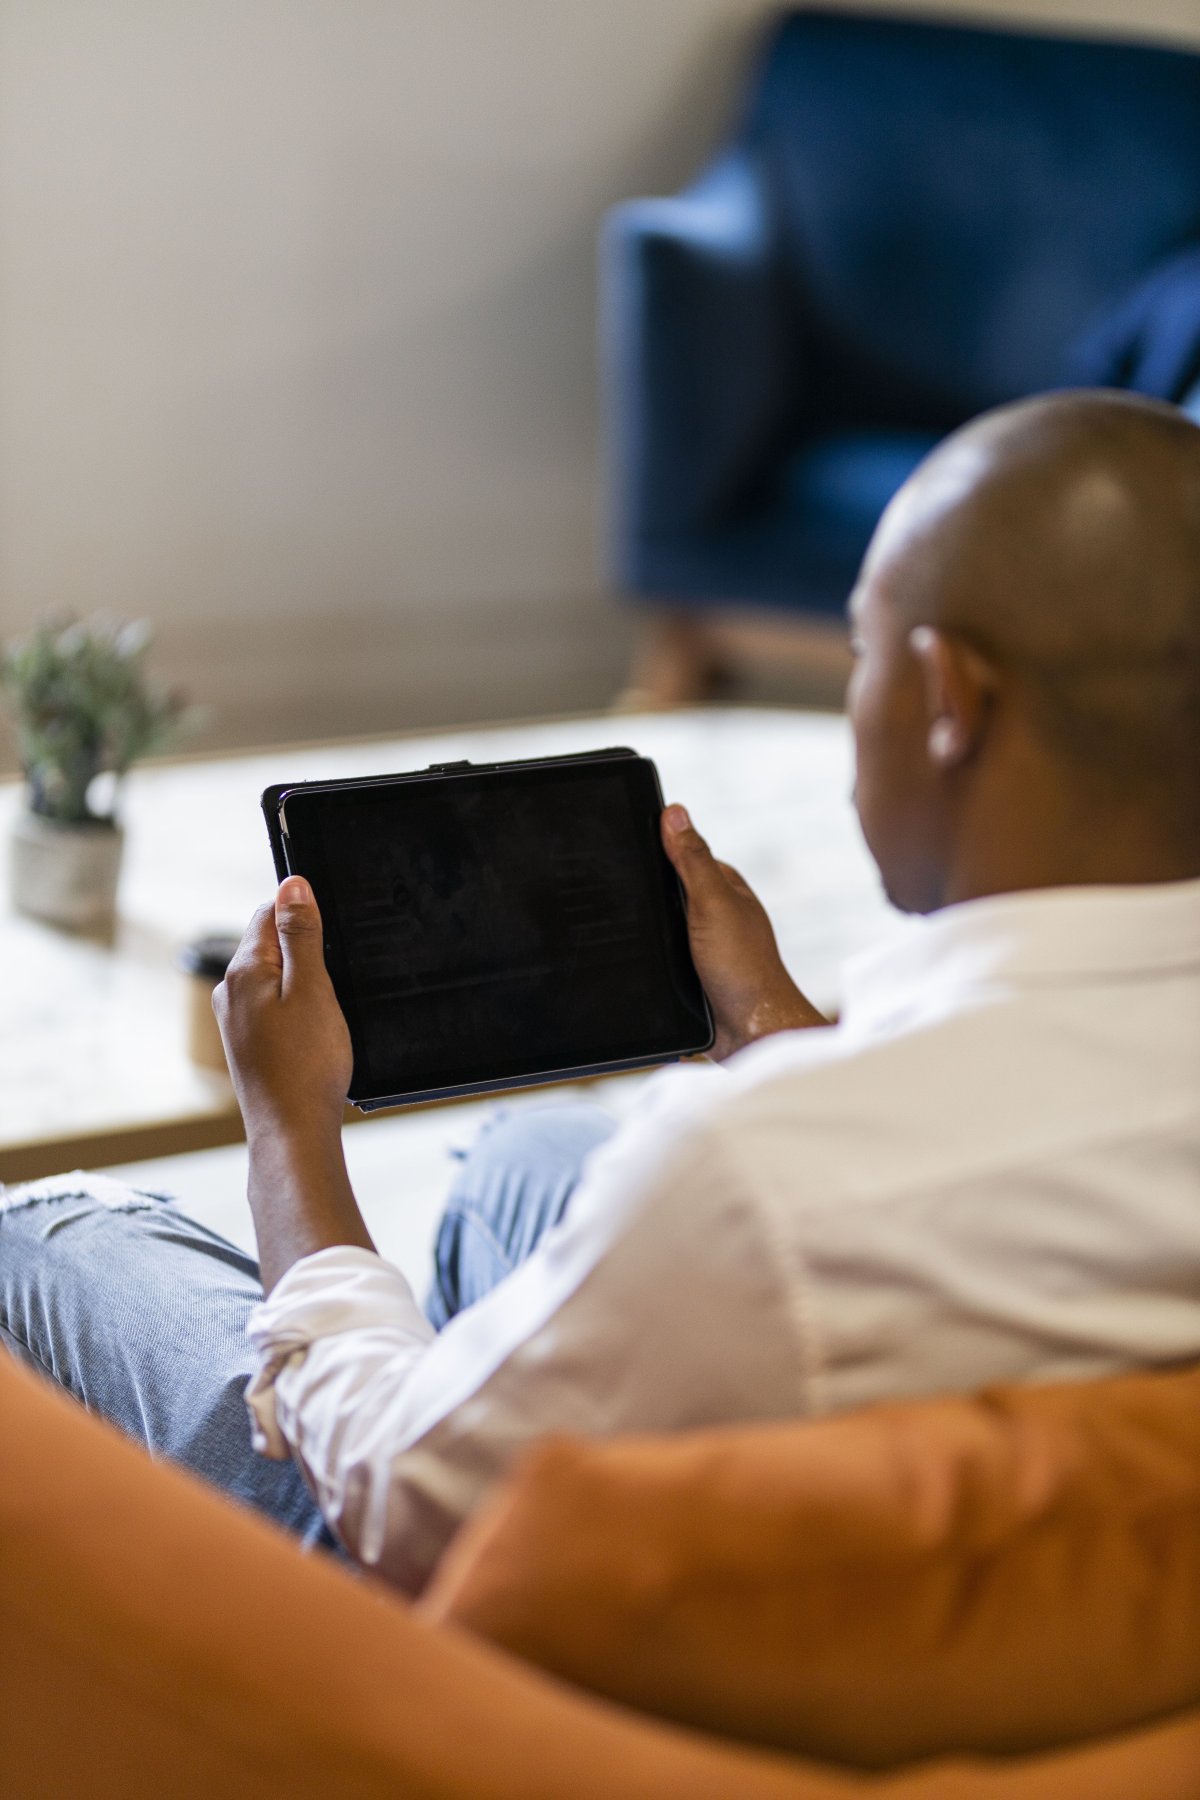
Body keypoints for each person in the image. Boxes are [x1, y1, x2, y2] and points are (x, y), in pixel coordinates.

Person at [2, 390, 1198, 1590]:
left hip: (500, 1643)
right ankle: (516, 1376)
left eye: (862, 653)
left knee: (53, 1236)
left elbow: (390, 1486)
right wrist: (776, 1030)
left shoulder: (756, 1177)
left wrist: (288, 1127)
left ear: (951, 701)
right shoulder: (810, 1147)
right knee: (518, 1160)